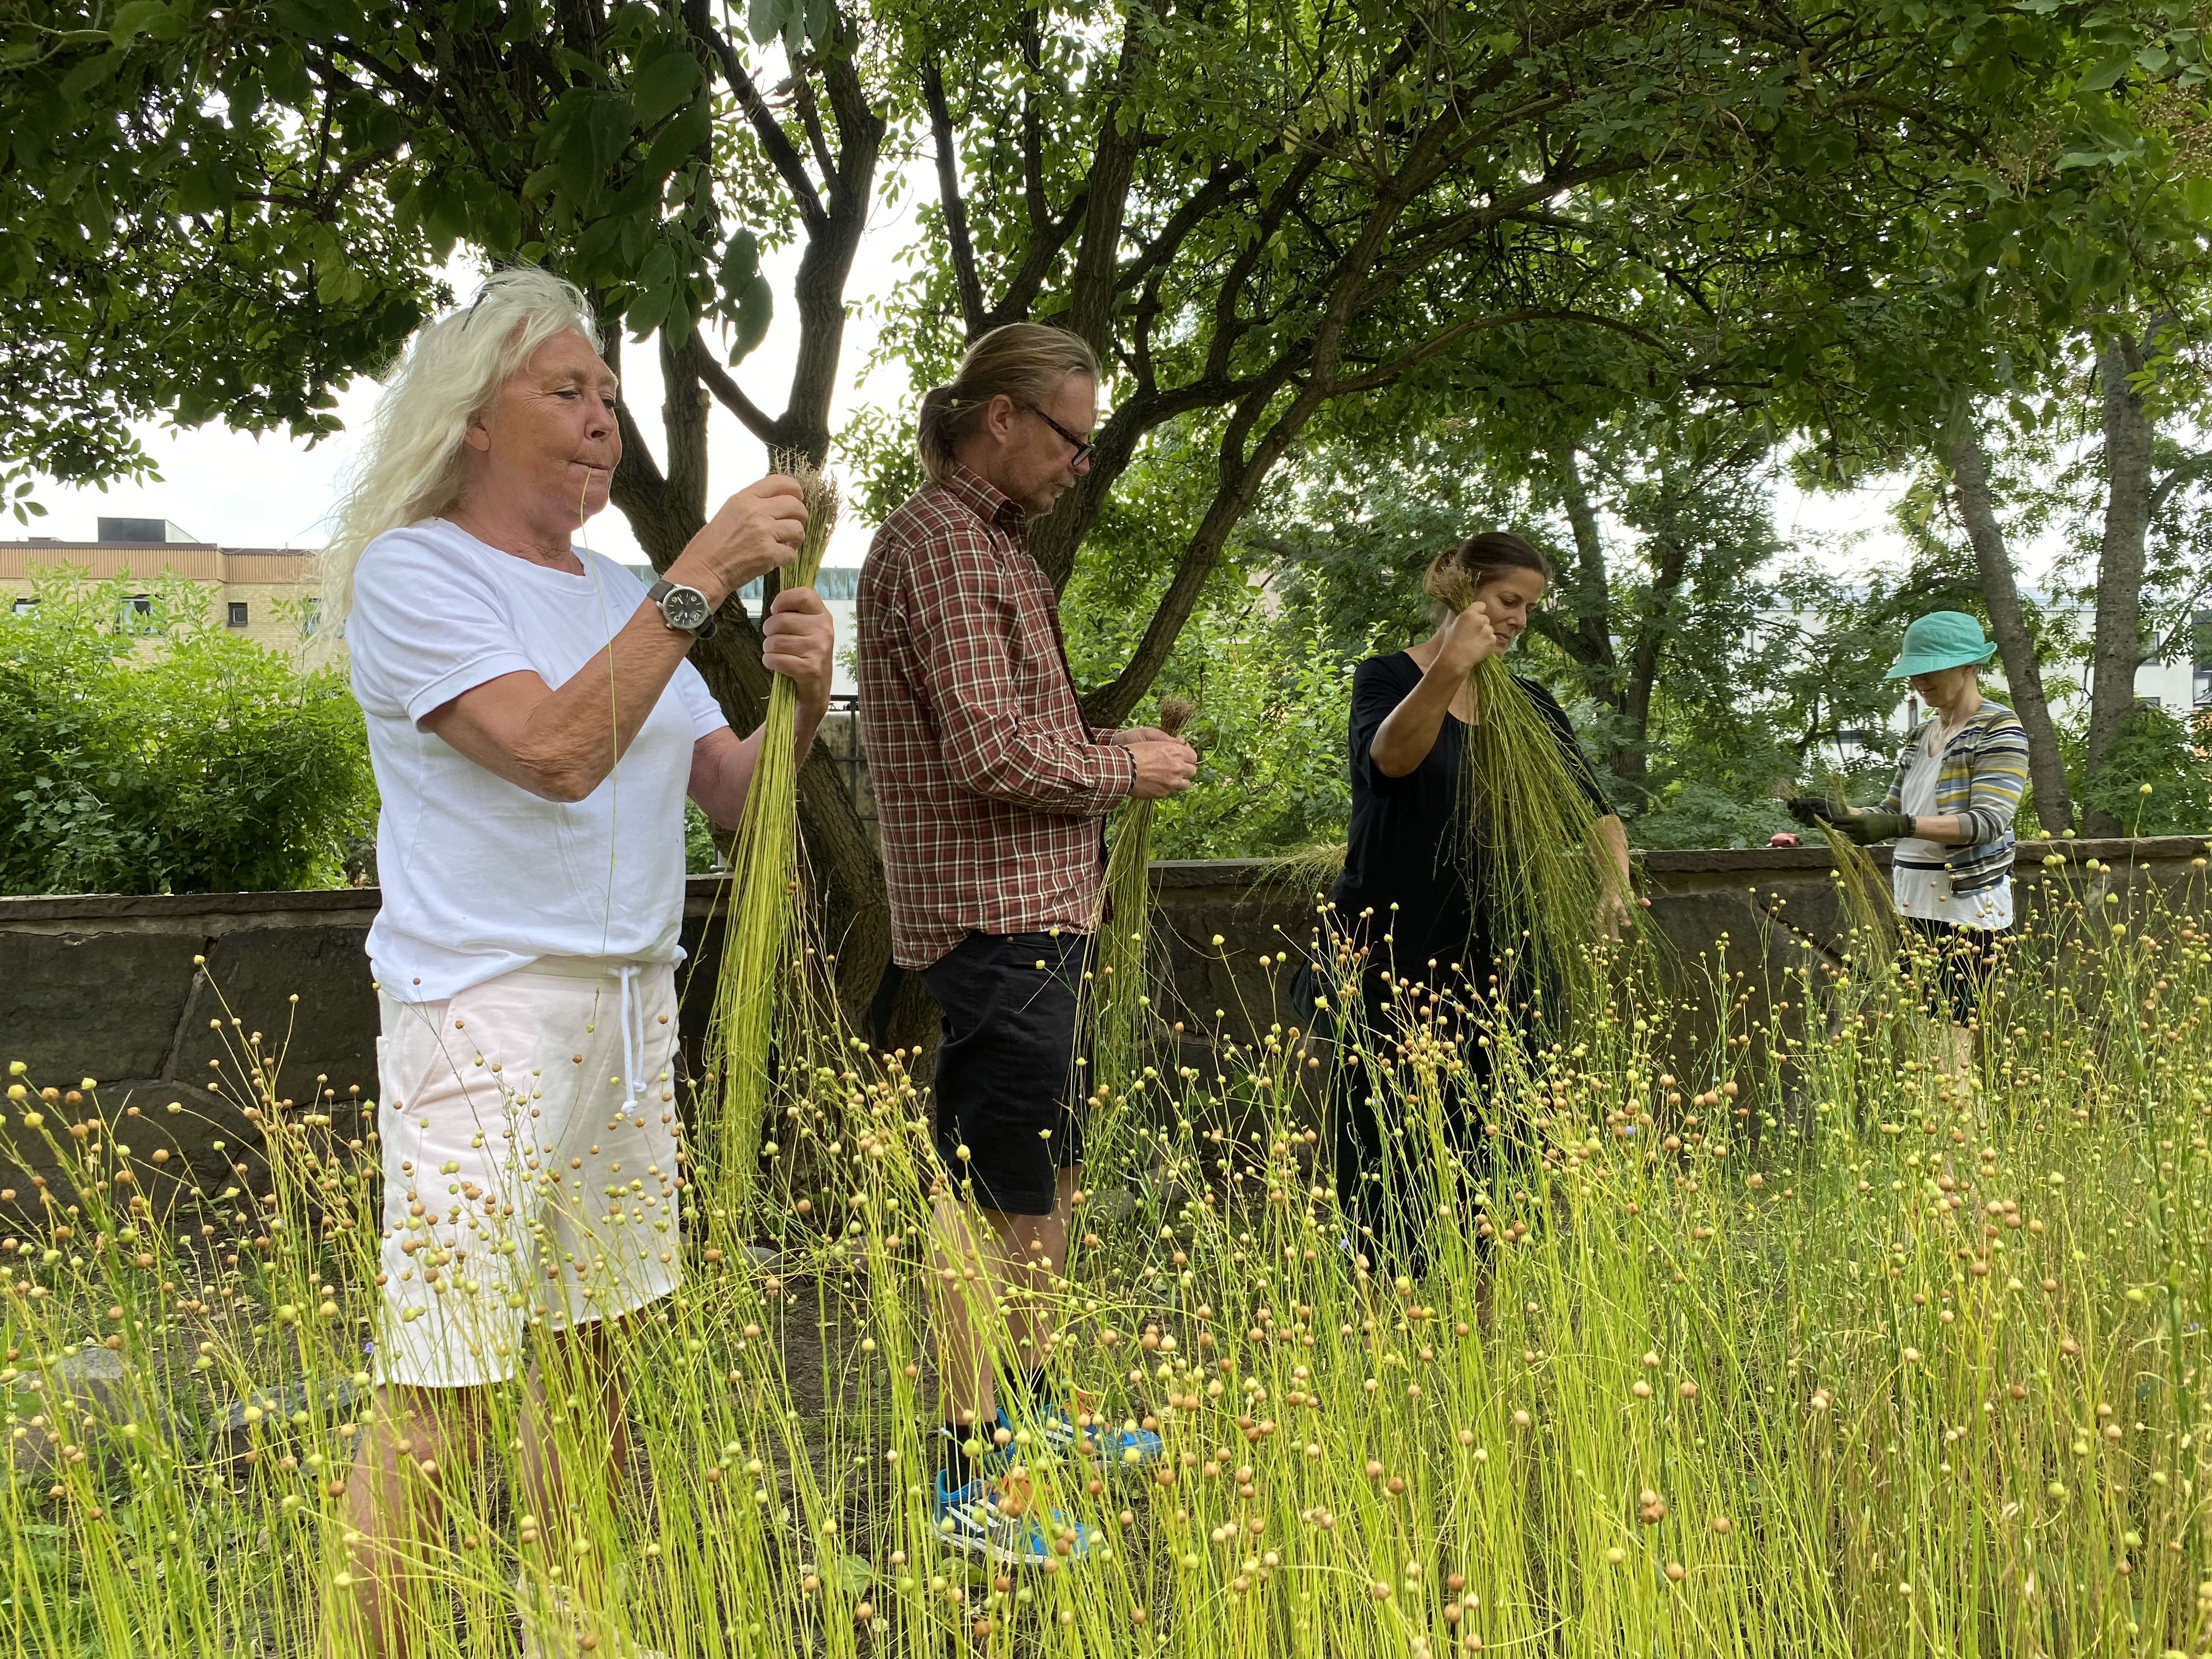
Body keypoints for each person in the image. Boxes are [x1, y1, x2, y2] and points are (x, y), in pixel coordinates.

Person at [321, 267, 834, 1658]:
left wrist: (793, 699)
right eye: (569, 390)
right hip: (483, 1014)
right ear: (472, 418)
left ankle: (575, 1631)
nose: (605, 418)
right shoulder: (415, 571)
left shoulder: (611, 588)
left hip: (628, 1004)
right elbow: (553, 752)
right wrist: (705, 577)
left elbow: (730, 795)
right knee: (448, 1385)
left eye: (609, 394)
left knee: (598, 1360)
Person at [857, 322, 1198, 1563]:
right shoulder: (943, 548)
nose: (1081, 464)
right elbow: (990, 750)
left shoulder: (987, 546)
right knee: (990, 1197)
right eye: (1071, 436)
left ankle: (1033, 1422)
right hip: (996, 921)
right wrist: (1129, 766)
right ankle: (969, 1482)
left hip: (1036, 917)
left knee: (1036, 1188)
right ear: (1000, 419)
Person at [1325, 533, 1632, 1276]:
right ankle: (1384, 1310)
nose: (1521, 618)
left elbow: (1596, 809)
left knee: (1491, 1144)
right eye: (1508, 600)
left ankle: (1480, 1317)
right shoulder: (1385, 677)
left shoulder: (1529, 706)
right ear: (1460, 590)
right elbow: (1394, 759)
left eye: (1530, 606)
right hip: (1391, 948)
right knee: (1384, 1134)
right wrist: (1452, 667)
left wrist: (1614, 879)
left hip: (1499, 951)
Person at [1789, 610, 2028, 1073]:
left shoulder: (2000, 729)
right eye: (1914, 671)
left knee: (1949, 1054)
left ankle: (1962, 1143)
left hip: (1967, 908)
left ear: (1967, 666)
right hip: (1913, 902)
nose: (1919, 680)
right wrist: (1837, 815)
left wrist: (1900, 828)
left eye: (1930, 669)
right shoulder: (1923, 734)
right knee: (1926, 1044)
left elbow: (1987, 821)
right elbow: (1891, 811)